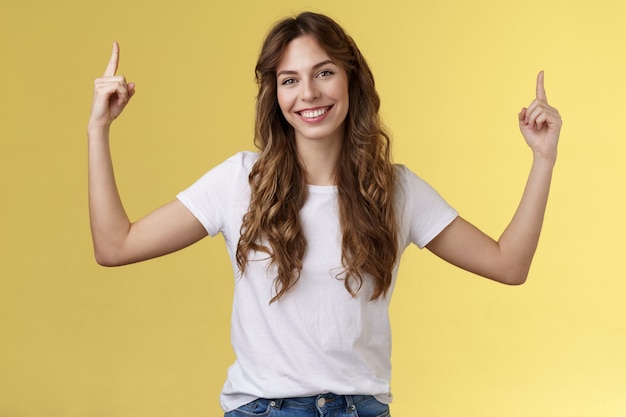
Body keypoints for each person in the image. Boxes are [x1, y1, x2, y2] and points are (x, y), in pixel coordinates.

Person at [87, 11, 561, 417]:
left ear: (352, 77)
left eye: (324, 72)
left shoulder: (395, 190)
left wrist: (543, 159)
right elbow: (115, 246)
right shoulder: (240, 182)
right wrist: (98, 130)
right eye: (289, 80)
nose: (308, 93)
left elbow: (508, 264)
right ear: (275, 95)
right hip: (264, 409)